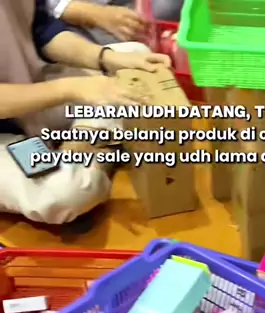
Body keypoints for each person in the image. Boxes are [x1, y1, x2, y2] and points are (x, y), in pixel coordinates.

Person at [0, 0, 169, 226]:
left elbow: (42, 29)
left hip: (34, 92)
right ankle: (94, 146)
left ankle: (82, 148)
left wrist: (105, 58)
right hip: (6, 131)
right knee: (62, 193)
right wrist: (71, 89)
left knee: (134, 55)